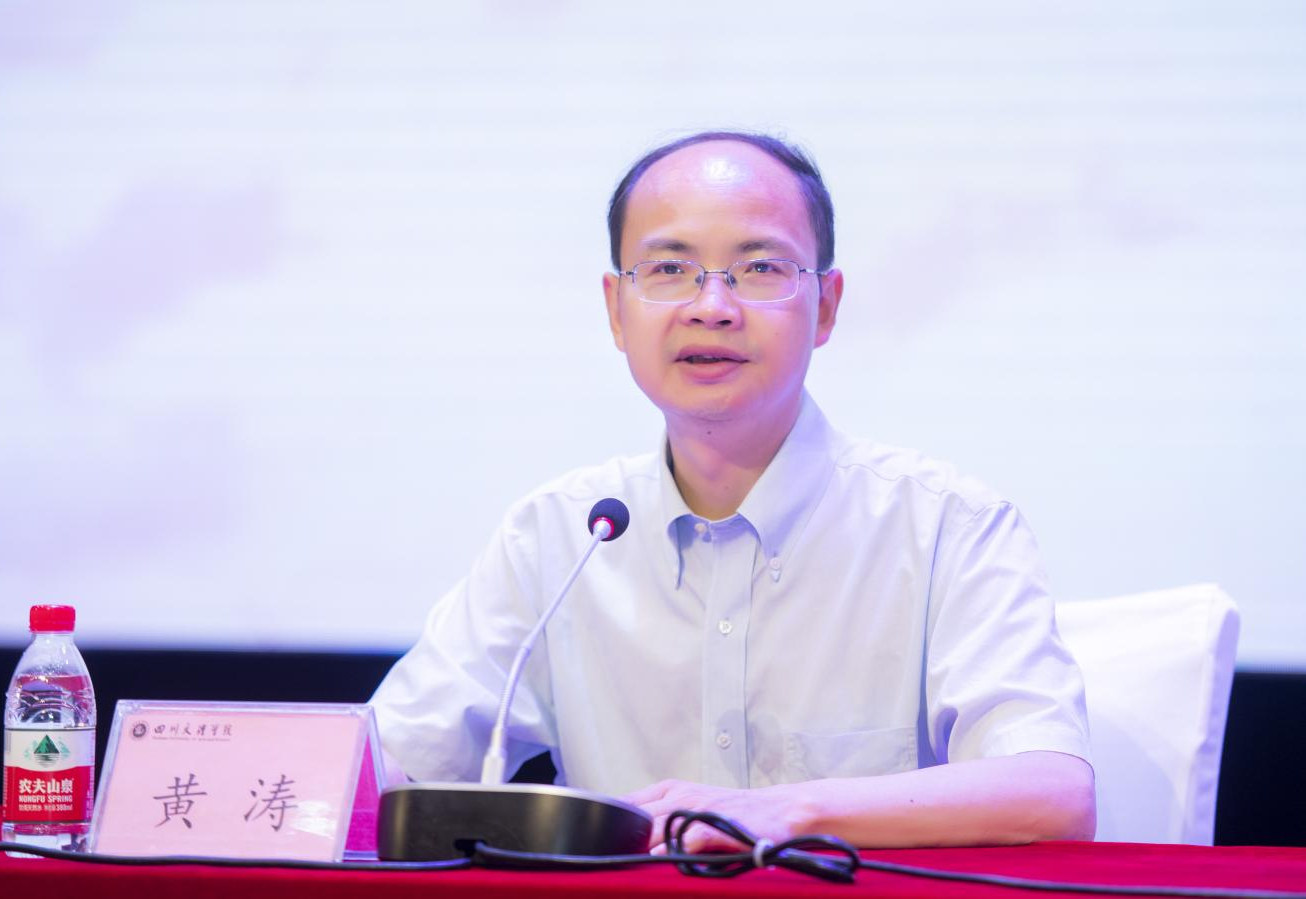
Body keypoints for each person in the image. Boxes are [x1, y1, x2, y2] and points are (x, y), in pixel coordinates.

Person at [371, 131, 1096, 851]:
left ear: (826, 306)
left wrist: (791, 811)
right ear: (616, 310)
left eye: (759, 268)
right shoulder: (556, 537)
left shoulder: (946, 527)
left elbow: (1052, 794)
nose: (711, 306)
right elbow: (381, 769)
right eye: (668, 269)